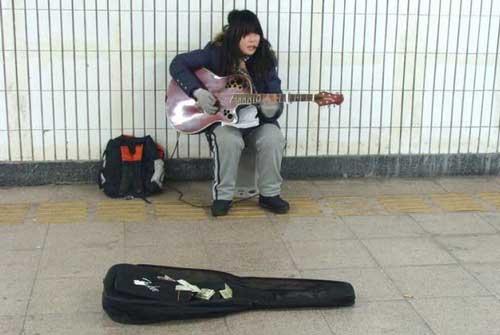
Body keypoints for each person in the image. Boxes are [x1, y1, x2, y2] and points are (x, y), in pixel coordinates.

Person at [169, 9, 289, 216]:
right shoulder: (216, 54)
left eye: (256, 34)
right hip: (224, 122)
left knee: (273, 137)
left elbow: (275, 95)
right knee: (229, 140)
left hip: (257, 122)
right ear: (234, 36)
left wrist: (272, 107)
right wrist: (197, 91)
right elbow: (178, 64)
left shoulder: (265, 59)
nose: (253, 40)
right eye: (246, 34)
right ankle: (223, 197)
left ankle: (270, 195)